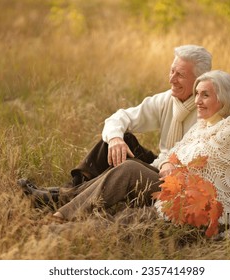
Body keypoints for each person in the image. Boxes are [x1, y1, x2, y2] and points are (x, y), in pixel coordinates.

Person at [51, 70, 230, 239]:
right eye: (197, 94)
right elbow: (173, 156)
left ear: (223, 99)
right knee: (129, 164)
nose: (198, 101)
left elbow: (212, 174)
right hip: (172, 184)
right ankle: (68, 205)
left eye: (205, 95)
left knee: (130, 172)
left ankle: (66, 214)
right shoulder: (203, 126)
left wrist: (176, 169)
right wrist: (167, 167)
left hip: (193, 198)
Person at [19, 44, 212, 207]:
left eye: (180, 75)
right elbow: (119, 118)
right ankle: (68, 191)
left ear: (199, 81)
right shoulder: (167, 100)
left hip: (177, 179)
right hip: (161, 164)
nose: (171, 79)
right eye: (172, 71)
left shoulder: (209, 111)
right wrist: (115, 138)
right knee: (120, 139)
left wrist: (166, 163)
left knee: (128, 166)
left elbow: (198, 165)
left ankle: (58, 198)